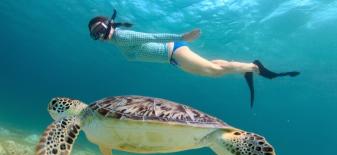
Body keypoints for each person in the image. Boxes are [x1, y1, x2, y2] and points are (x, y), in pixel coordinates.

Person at [88, 9, 300, 107]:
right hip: (173, 57)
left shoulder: (122, 36)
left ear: (108, 24)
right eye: (94, 34)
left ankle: (254, 68)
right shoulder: (118, 40)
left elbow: (151, 36)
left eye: (98, 29)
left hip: (173, 51)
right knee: (212, 67)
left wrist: (182, 36)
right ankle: (249, 67)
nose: (98, 35)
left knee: (213, 73)